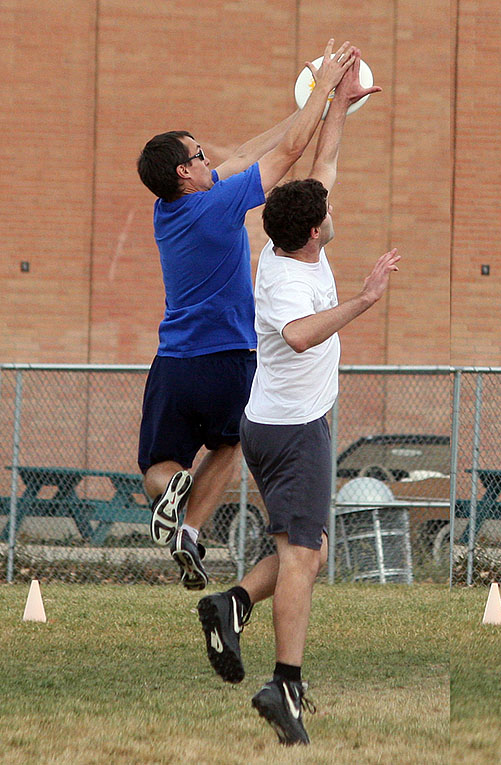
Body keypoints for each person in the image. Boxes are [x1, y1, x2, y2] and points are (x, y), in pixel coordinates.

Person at [196, 50, 397, 746]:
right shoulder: (287, 278)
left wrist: (338, 97)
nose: (330, 208)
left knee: (301, 549)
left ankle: (231, 602)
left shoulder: (297, 241)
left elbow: (326, 161)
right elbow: (302, 333)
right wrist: (365, 300)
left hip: (281, 423)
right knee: (305, 557)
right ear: (315, 232)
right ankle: (285, 683)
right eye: (327, 212)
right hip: (290, 429)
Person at [136, 39, 355, 590]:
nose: (211, 158)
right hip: (230, 358)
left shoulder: (168, 210)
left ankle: (177, 506)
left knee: (156, 471)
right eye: (200, 156)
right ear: (187, 173)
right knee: (230, 444)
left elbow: (248, 153)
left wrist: (310, 104)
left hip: (173, 363)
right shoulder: (219, 204)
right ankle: (189, 524)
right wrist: (326, 87)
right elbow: (284, 156)